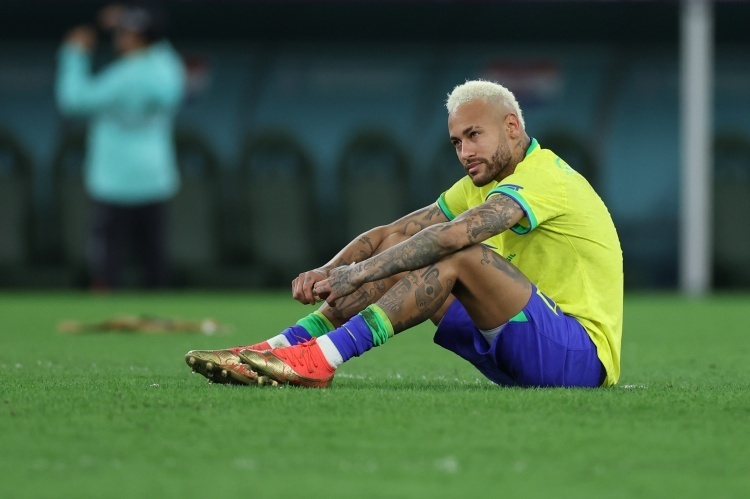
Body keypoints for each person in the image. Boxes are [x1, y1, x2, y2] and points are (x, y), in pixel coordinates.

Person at [185, 79, 623, 389]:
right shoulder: (481, 182)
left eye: (474, 135)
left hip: (578, 358)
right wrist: (330, 270)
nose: (465, 152)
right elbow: (393, 232)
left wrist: (359, 274)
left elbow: (452, 238)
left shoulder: (546, 176)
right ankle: (279, 347)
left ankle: (321, 359)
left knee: (459, 253)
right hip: (519, 347)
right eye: (457, 142)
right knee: (402, 248)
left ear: (512, 127)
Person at [55, 3, 185, 290]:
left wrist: (74, 53)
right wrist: (126, 19)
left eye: (125, 33)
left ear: (136, 39)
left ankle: (105, 300)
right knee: (154, 261)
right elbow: (159, 42)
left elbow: (73, 99)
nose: (119, 37)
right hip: (154, 177)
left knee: (108, 265)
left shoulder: (126, 76)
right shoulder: (168, 67)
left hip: (114, 180)